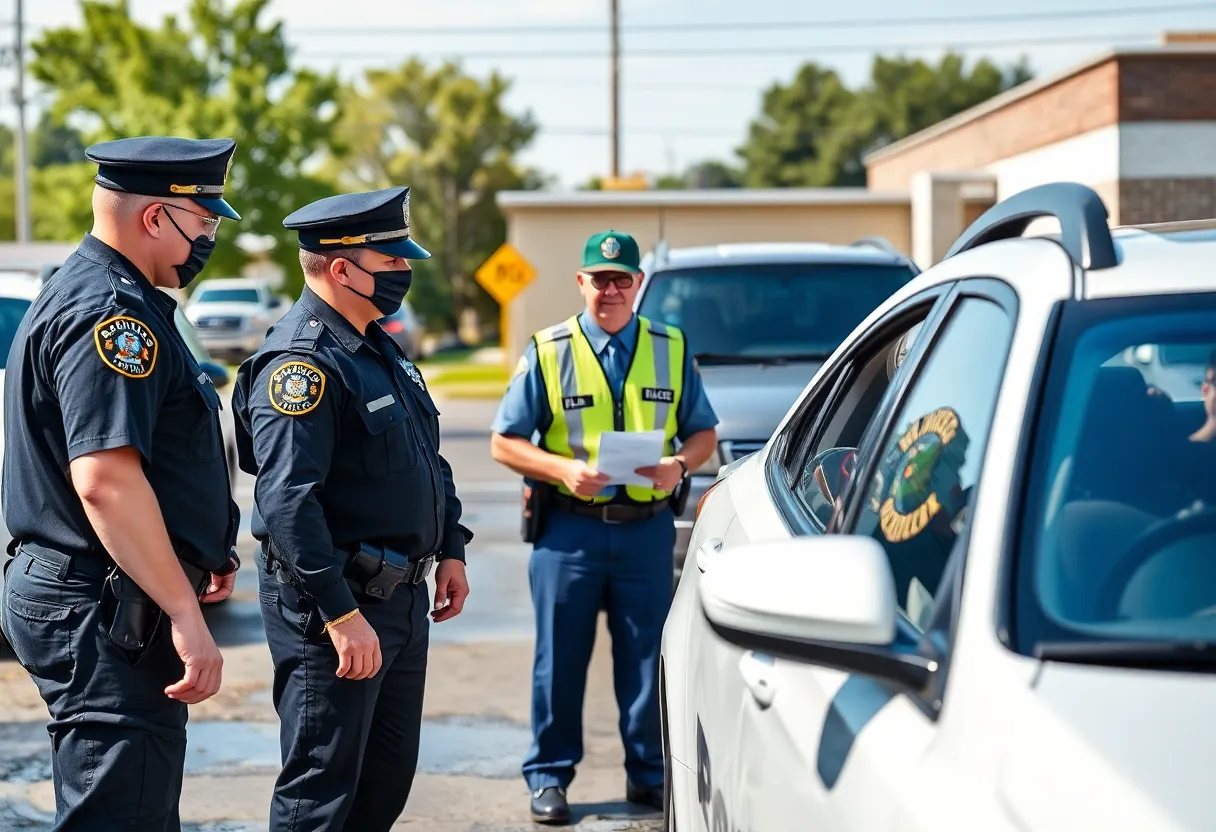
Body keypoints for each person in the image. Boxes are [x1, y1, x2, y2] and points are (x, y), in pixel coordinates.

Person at [0, 136, 243, 832]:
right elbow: (106, 480)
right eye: (204, 223)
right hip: (101, 602)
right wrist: (184, 612)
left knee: (130, 802)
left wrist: (201, 555)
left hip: (102, 591)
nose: (208, 239)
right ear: (156, 217)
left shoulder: (104, 293)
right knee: (121, 812)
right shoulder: (114, 313)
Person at [232, 185, 473, 832]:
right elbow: (287, 502)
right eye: (392, 260)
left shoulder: (378, 350)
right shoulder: (302, 364)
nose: (405, 271)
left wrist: (452, 546)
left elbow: (428, 458)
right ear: (342, 268)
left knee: (383, 784)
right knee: (322, 796)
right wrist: (340, 613)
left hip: (401, 598)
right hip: (335, 609)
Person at [490, 230, 720, 823]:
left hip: (645, 531)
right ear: (581, 283)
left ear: (638, 284)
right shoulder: (548, 349)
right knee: (559, 662)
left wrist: (679, 464)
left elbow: (702, 434)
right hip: (569, 530)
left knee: (647, 660)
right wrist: (562, 469)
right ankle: (548, 776)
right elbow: (504, 442)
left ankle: (648, 775)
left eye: (622, 279)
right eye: (600, 279)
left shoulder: (670, 346)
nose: (611, 290)